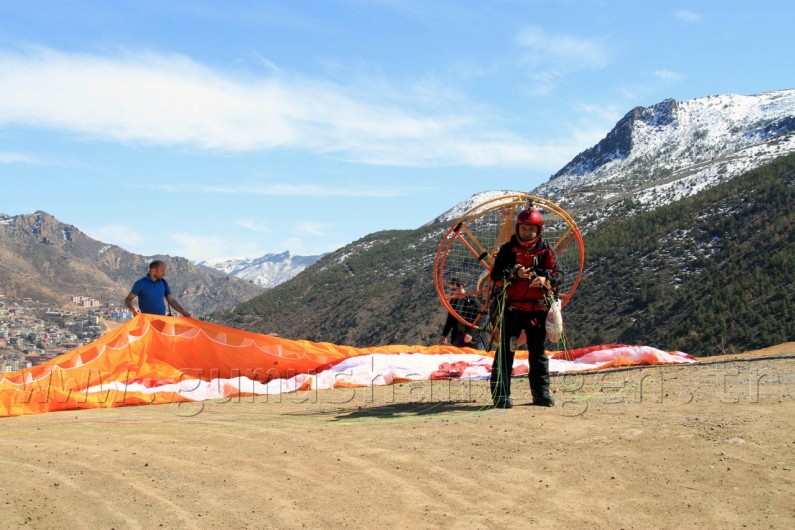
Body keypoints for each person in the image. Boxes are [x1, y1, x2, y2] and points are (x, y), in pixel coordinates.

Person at [489, 208, 559, 408]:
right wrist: (513, 273)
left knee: (537, 353)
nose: (528, 233)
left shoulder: (546, 250)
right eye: (524, 229)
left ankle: (541, 394)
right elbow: (495, 276)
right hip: (512, 310)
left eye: (532, 229)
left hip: (537, 310)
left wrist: (546, 279)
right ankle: (501, 396)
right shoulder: (507, 250)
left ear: (539, 230)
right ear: (518, 229)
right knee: (505, 352)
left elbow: (558, 275)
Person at [124, 260, 191, 318]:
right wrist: (133, 308)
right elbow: (128, 300)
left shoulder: (164, 283)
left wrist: (182, 311)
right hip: (147, 323)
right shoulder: (140, 284)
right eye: (162, 271)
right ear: (153, 271)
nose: (164, 274)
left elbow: (171, 301)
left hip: (161, 321)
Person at [440, 279, 483, 349]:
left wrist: (471, 333)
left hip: (471, 339)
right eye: (451, 290)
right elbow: (450, 318)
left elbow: (483, 316)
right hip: (457, 337)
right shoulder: (453, 300)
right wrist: (444, 335)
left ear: (461, 287)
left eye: (454, 289)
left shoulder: (473, 300)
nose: (453, 292)